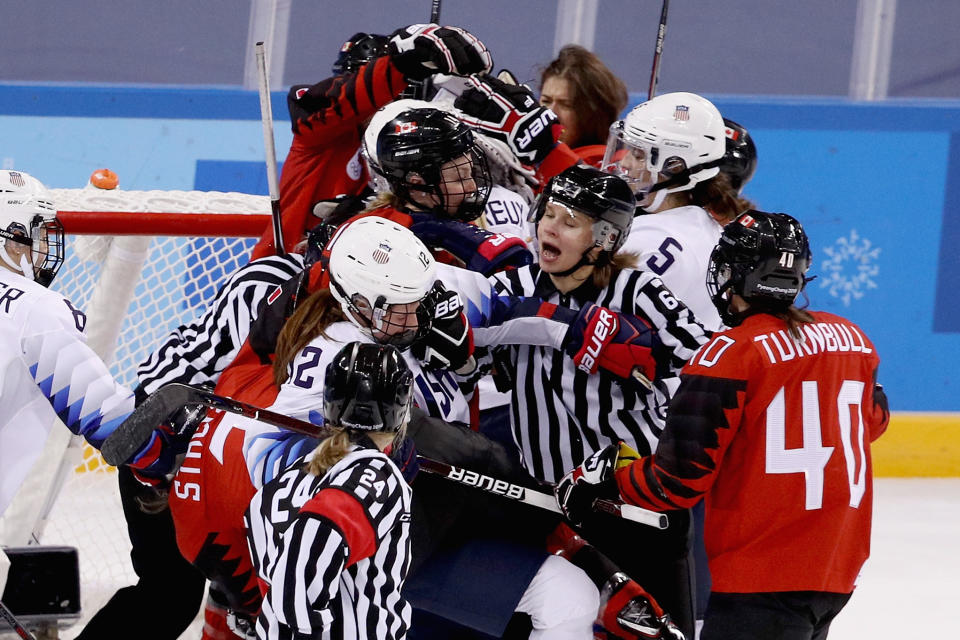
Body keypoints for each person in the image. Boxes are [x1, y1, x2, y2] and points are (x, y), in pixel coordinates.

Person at [556, 210, 890, 640]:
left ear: (734, 275)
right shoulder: (853, 340)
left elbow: (676, 482)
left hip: (761, 575)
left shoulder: (728, 354)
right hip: (837, 567)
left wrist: (609, 484)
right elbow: (873, 422)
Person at [482, 164, 711, 639]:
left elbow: (704, 356)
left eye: (570, 221)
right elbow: (463, 348)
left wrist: (640, 352)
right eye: (549, 213)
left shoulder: (636, 290)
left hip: (635, 505)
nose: (550, 226)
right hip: (548, 500)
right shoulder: (516, 286)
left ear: (605, 237)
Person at [0, 169, 178, 518]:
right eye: (35, 236)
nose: (41, 249)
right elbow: (109, 421)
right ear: (12, 238)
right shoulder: (35, 309)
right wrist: (165, 455)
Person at [250, 24, 493, 260]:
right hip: (295, 282)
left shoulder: (425, 147)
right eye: (354, 79)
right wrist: (404, 64)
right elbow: (328, 100)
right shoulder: (317, 135)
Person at [244, 341, 416, 640]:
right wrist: (307, 627)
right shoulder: (374, 475)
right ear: (399, 413)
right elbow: (317, 535)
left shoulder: (281, 483)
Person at [539, 44, 628, 160]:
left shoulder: (607, 166)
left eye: (566, 105)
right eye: (546, 101)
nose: (550, 113)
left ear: (593, 114)